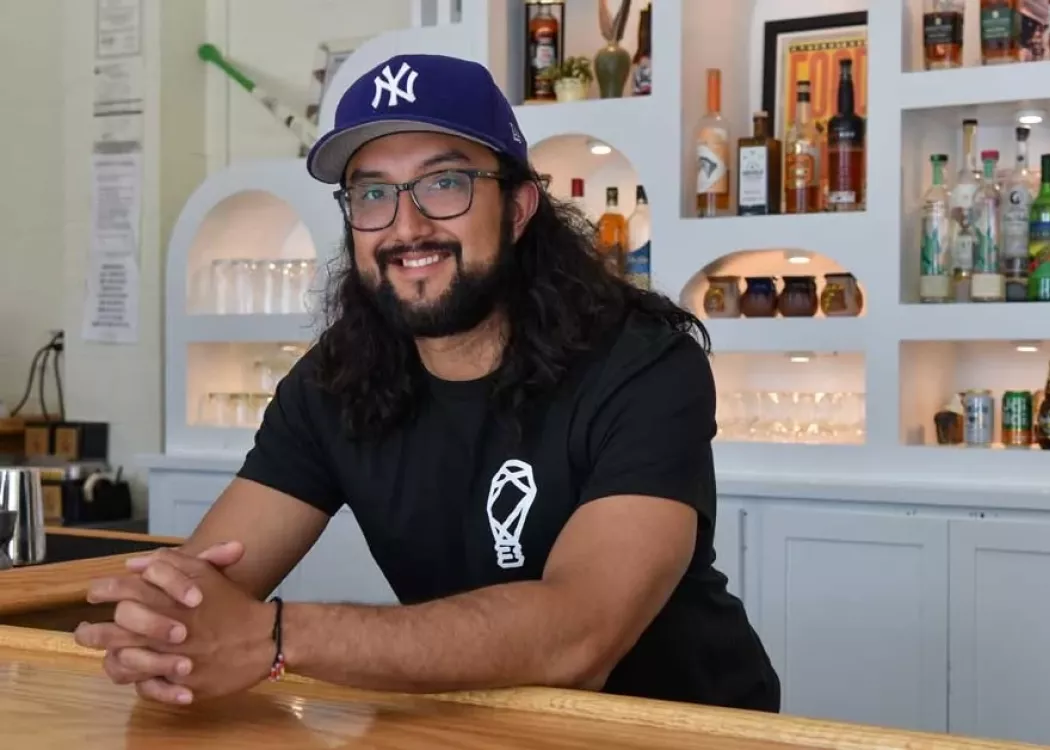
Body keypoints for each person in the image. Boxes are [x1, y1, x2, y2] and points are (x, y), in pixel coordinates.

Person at [74, 53, 780, 711]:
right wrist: (162, 629)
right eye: (373, 192)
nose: (406, 226)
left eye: (444, 183)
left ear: (520, 207)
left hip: (681, 727)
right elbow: (204, 592)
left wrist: (279, 637)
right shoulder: (332, 384)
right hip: (475, 724)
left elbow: (579, 636)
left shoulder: (642, 365)